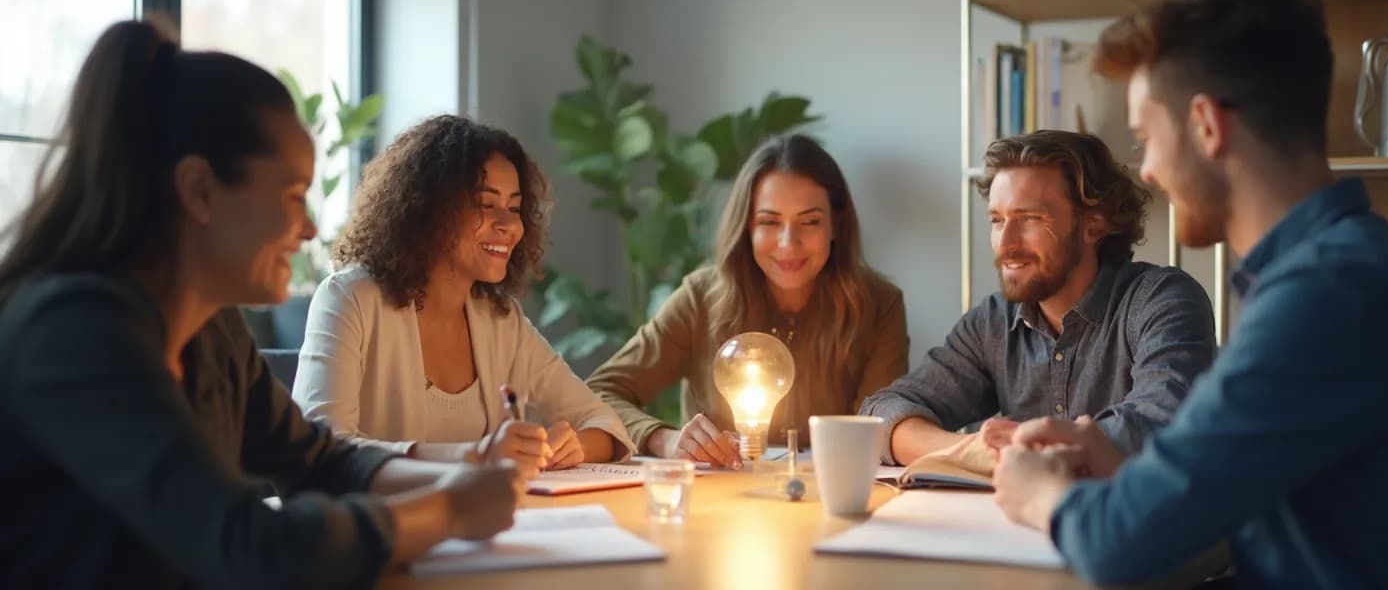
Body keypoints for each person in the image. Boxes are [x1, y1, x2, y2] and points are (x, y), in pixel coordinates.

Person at [991, 0, 1388, 588]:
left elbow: (1116, 544)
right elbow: (1224, 490)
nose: (1148, 172)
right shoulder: (1349, 268)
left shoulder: (1327, 297)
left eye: (1145, 138)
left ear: (1208, 126)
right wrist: (1125, 470)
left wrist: (1035, 494)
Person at [0, 20, 524, 589]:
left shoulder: (212, 329)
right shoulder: (76, 336)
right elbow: (248, 546)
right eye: (293, 195)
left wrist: (454, 480)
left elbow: (321, 461)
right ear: (199, 190)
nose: (308, 228)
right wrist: (448, 512)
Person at [292, 115, 632, 471]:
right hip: (373, 523)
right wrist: (472, 456)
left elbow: (605, 424)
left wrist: (573, 445)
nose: (508, 225)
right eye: (487, 205)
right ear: (429, 208)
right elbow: (320, 446)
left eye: (514, 208)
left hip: (474, 523)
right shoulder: (350, 299)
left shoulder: (501, 319)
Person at [861, 130, 1215, 466]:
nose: (1007, 244)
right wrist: (974, 451)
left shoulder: (1161, 301)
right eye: (997, 220)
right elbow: (880, 413)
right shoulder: (993, 323)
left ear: (1094, 224)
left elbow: (1161, 422)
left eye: (1029, 218)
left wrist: (1022, 450)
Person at [586, 134, 908, 468]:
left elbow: (879, 425)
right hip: (717, 499)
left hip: (827, 495)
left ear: (835, 225)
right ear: (746, 226)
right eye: (769, 222)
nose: (789, 243)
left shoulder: (878, 306)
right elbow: (599, 392)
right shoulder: (701, 299)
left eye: (810, 222)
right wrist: (665, 439)